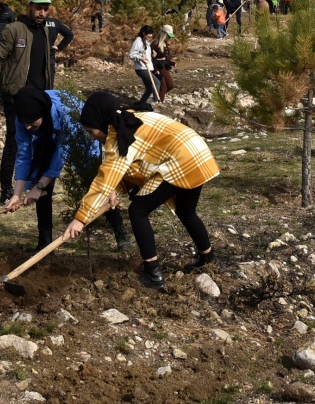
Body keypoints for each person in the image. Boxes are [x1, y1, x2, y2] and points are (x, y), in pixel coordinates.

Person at [66, 91, 220, 289]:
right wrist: (114, 190)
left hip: (182, 160)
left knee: (138, 211)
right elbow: (134, 166)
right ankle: (208, 258)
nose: (93, 138)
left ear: (100, 121)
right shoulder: (131, 117)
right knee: (186, 211)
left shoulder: (120, 131)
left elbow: (106, 177)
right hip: (197, 153)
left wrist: (80, 219)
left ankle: (153, 273)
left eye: (91, 131)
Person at [4, 87, 130, 251]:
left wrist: (39, 186)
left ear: (42, 114)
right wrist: (17, 194)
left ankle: (120, 232)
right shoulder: (23, 117)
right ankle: (45, 243)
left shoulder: (65, 112)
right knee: (41, 183)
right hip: (47, 137)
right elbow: (24, 154)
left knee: (97, 182)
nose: (27, 127)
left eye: (31, 123)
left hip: (81, 134)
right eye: (24, 123)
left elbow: (61, 154)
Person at [0, 0, 74, 205]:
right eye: (38, 8)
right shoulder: (14, 29)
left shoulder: (45, 30)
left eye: (46, 9)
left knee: (46, 143)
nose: (42, 13)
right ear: (29, 7)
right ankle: (7, 191)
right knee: (16, 143)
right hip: (16, 96)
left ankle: (38, 187)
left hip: (42, 99)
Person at [129, 24, 159, 102]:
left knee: (149, 88)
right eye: (149, 33)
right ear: (144, 33)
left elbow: (146, 54)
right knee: (157, 83)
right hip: (142, 68)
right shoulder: (138, 41)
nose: (151, 35)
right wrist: (140, 58)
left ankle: (141, 103)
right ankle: (156, 103)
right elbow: (131, 55)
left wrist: (152, 54)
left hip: (146, 67)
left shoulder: (146, 42)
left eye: (151, 34)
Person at [154, 26, 176, 97]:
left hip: (163, 66)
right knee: (163, 87)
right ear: (164, 34)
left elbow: (164, 57)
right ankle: (159, 102)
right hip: (157, 67)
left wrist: (171, 63)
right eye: (168, 36)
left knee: (170, 85)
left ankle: (158, 97)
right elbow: (151, 59)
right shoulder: (155, 44)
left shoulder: (165, 43)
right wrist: (155, 69)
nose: (169, 38)